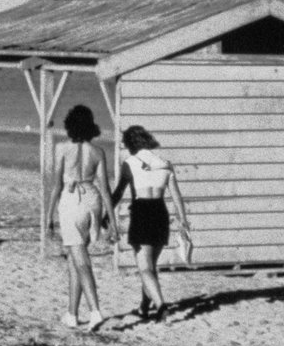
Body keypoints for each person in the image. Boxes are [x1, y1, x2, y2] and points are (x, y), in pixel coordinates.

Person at [110, 125, 192, 321]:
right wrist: (183, 221)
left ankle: (162, 308)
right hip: (160, 213)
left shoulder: (130, 162)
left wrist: (107, 213)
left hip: (142, 212)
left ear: (130, 144)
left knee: (145, 268)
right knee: (150, 266)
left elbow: (120, 192)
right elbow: (176, 196)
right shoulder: (165, 163)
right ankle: (144, 307)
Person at [50, 104, 113, 331]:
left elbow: (56, 185)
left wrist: (49, 215)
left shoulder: (61, 148)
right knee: (75, 259)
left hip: (72, 201)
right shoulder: (97, 151)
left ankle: (95, 311)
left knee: (80, 258)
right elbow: (105, 188)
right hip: (92, 199)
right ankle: (72, 313)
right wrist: (112, 222)